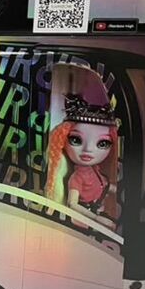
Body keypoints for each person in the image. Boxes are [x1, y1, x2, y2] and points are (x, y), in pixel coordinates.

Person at [45, 94, 119, 226]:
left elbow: (104, 186)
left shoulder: (95, 170)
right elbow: (72, 204)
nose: (88, 149)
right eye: (76, 140)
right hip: (82, 222)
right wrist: (96, 218)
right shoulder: (77, 178)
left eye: (102, 143)